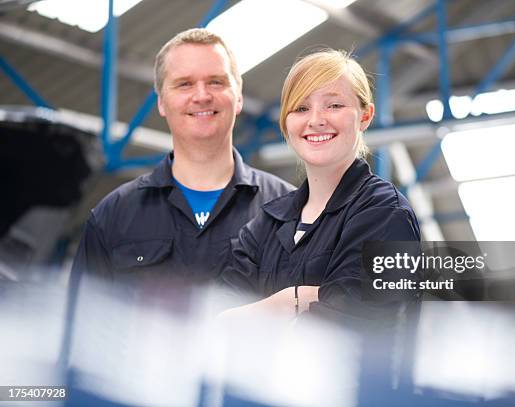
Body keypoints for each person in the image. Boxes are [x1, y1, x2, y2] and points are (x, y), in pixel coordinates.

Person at [70, 28, 293, 285]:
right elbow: (82, 321)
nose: (201, 96)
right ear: (162, 103)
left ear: (239, 97)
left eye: (216, 82)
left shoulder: (289, 212)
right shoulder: (112, 216)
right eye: (184, 84)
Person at [221, 49, 421, 323]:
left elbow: (350, 330)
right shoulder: (266, 224)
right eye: (301, 108)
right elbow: (219, 324)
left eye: (334, 105)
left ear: (365, 116)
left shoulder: (386, 214)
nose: (316, 120)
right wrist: (294, 299)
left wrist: (263, 313)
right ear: (286, 122)